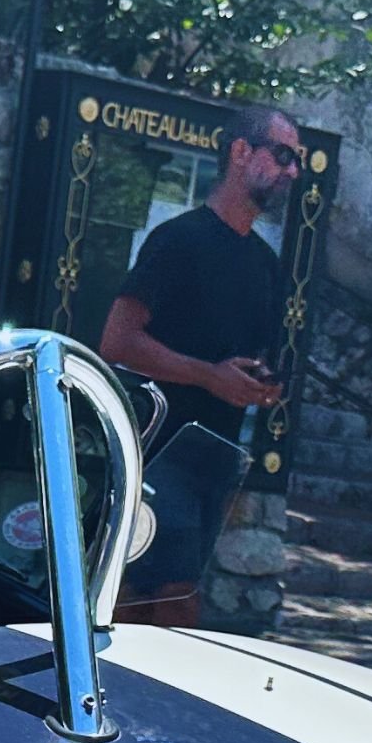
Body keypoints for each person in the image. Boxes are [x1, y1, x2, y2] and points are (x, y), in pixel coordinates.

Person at [99, 104, 300, 625]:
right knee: (159, 603)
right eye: (283, 155)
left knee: (168, 603)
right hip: (158, 450)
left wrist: (260, 385)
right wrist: (209, 376)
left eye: (297, 160)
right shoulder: (179, 240)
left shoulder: (265, 265)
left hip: (216, 458)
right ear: (241, 152)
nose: (293, 171)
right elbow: (117, 341)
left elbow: (245, 359)